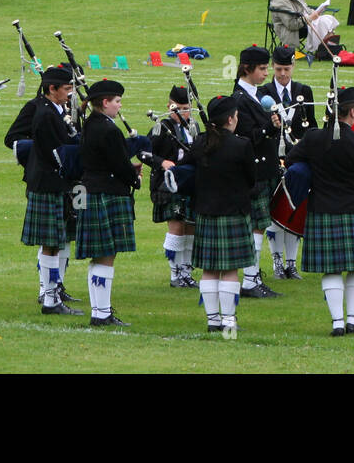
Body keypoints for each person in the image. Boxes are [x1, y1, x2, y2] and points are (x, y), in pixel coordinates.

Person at [284, 86, 354, 335]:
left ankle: (337, 323)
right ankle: (353, 320)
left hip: (322, 208)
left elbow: (291, 160)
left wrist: (311, 175)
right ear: (352, 111)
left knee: (331, 269)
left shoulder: (313, 138)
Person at [178, 96, 257, 334]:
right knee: (230, 270)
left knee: (209, 270)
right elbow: (251, 180)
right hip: (234, 213)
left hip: (206, 211)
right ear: (231, 118)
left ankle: (213, 320)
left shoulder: (200, 143)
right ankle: (229, 321)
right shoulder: (241, 145)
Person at [75, 79, 143, 327]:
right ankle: (102, 314)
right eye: (117, 101)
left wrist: (126, 168)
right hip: (106, 193)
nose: (119, 105)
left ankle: (99, 311)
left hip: (90, 189)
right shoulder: (109, 129)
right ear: (105, 103)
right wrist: (133, 176)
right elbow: (119, 164)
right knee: (106, 255)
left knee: (98, 256)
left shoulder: (90, 124)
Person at [24, 66, 83, 316]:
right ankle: (50, 300)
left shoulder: (55, 111)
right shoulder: (46, 115)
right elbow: (57, 152)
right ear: (52, 89)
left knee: (55, 244)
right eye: (67, 89)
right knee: (51, 244)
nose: (70, 94)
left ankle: (52, 295)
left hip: (53, 183)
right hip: (48, 183)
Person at [257, 45, 318, 279]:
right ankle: (277, 261)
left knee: (295, 208)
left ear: (293, 66)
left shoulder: (305, 90)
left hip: (298, 159)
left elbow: (311, 126)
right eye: (279, 69)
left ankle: (291, 263)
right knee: (275, 209)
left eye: (287, 69)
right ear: (273, 67)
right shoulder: (263, 91)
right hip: (272, 157)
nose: (283, 74)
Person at [229, 46, 283, 299]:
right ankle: (250, 280)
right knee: (257, 226)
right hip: (254, 170)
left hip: (265, 167)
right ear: (247, 69)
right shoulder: (239, 99)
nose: (266, 73)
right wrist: (269, 130)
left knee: (260, 224)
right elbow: (247, 137)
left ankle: (253, 277)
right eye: (262, 69)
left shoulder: (258, 94)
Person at [150, 86, 198, 288]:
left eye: (186, 108)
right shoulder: (161, 127)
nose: (182, 113)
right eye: (177, 108)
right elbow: (145, 153)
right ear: (169, 106)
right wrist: (162, 162)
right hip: (168, 183)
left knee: (191, 226)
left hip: (190, 182)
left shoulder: (193, 127)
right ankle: (175, 273)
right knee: (177, 225)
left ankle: (187, 270)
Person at [269, 0, 339, 54]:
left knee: (327, 20)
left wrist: (314, 12)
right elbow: (292, 24)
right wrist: (309, 18)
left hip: (303, 23)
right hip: (291, 30)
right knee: (324, 23)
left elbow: (305, 8)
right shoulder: (280, 1)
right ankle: (325, 52)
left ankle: (325, 51)